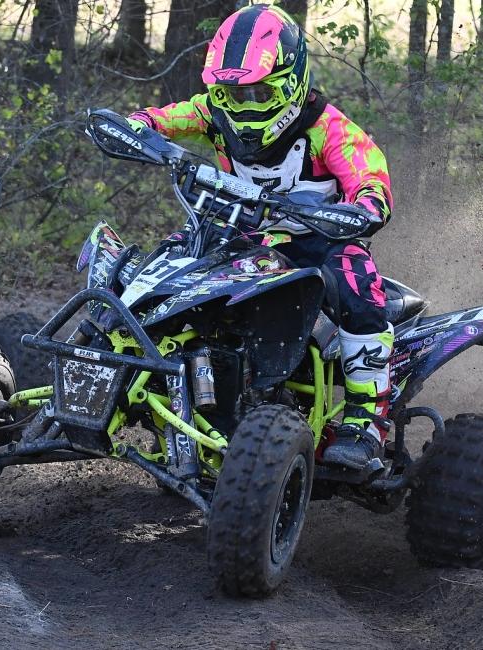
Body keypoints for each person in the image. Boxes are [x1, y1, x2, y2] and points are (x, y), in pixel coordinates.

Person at [128, 4, 394, 472]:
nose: (244, 105)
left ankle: (365, 423)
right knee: (164, 263)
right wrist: (136, 127)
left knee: (358, 282)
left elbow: (369, 176)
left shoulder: (329, 129)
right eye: (232, 93)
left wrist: (365, 204)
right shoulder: (212, 113)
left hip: (317, 239)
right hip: (236, 234)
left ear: (291, 82)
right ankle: (132, 369)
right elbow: (162, 119)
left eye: (258, 92)